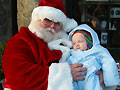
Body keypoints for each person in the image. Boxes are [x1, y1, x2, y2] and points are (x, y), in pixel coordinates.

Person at [2, 0, 89, 90]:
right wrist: (64, 73)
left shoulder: (68, 44)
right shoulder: (20, 41)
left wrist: (97, 71)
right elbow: (17, 74)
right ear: (37, 19)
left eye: (57, 23)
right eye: (47, 20)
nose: (52, 26)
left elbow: (88, 60)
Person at [66, 24, 120, 90]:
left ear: (88, 41)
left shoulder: (97, 50)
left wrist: (110, 81)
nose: (77, 45)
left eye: (80, 41)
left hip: (92, 77)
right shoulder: (71, 53)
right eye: (74, 43)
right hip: (76, 79)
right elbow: (65, 62)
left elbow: (108, 63)